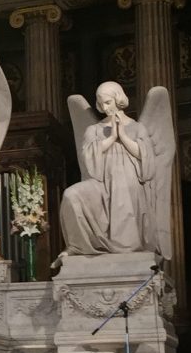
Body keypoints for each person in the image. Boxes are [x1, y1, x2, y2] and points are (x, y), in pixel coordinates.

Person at [59, 82, 159, 256]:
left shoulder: (137, 127)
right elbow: (87, 160)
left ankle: (126, 246)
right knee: (71, 194)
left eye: (108, 102)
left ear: (118, 99)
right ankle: (79, 246)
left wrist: (123, 136)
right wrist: (112, 137)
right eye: (101, 103)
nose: (105, 107)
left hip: (130, 182)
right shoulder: (94, 130)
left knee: (123, 187)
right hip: (100, 183)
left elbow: (146, 158)